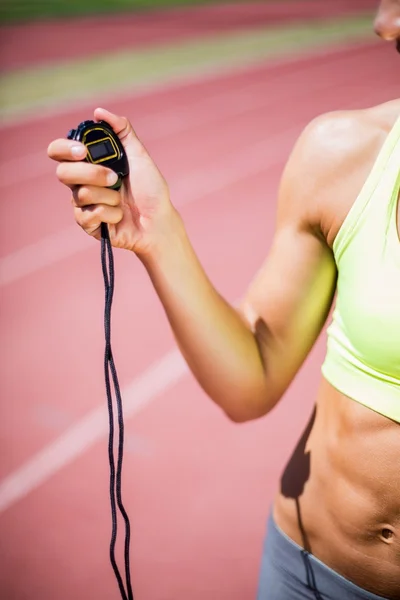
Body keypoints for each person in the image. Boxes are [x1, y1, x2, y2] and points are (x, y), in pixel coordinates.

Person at [48, 1, 400, 598]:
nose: (385, 22)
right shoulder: (345, 154)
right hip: (305, 571)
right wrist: (156, 232)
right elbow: (251, 378)